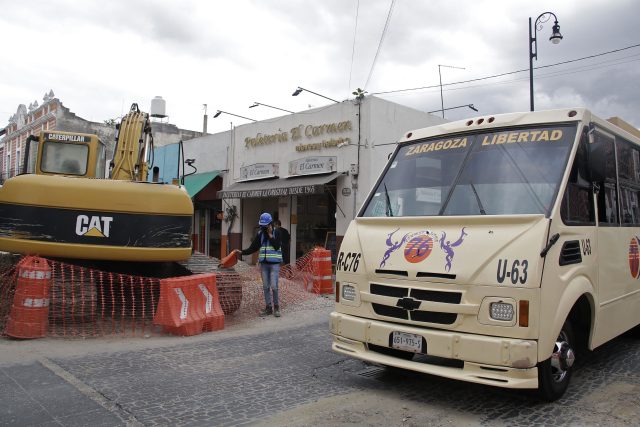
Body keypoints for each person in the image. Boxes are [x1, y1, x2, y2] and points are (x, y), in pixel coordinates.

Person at [235, 212, 283, 317]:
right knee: (266, 286)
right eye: (262, 226)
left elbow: (276, 246)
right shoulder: (260, 233)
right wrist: (242, 252)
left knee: (274, 286)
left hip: (274, 264)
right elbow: (254, 247)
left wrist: (270, 235)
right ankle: (268, 307)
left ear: (270, 224)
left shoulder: (277, 232)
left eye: (265, 226)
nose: (263, 227)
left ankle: (277, 307)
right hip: (264, 264)